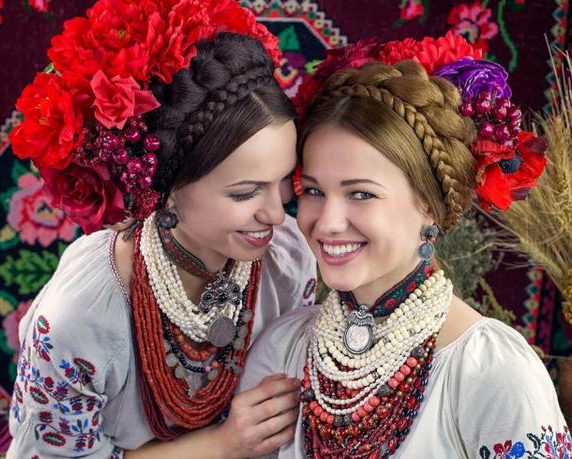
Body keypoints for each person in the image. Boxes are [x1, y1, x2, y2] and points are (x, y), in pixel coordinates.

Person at [6, 1, 316, 457]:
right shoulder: (82, 315)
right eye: (245, 192)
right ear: (168, 190)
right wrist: (223, 444)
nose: (276, 213)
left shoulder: (288, 258)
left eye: (284, 180)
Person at [240, 34, 572, 458]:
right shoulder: (284, 348)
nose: (326, 222)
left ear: (428, 207)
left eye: (360, 193)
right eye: (314, 190)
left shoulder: (490, 371)